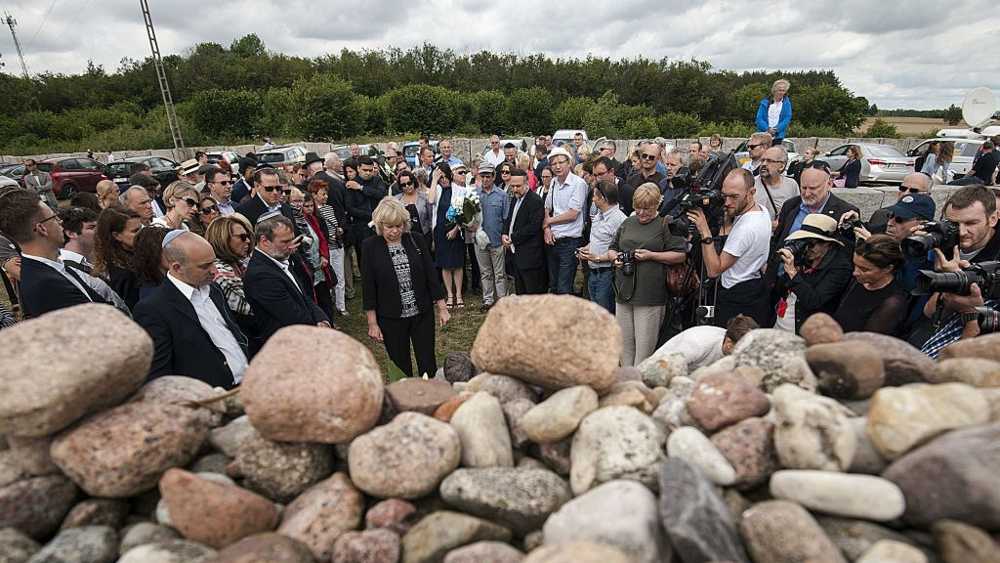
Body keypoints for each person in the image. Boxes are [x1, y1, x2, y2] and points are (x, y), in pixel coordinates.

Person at [134, 231, 248, 389]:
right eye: (205, 266)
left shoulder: (213, 290)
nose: (215, 271)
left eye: (213, 262)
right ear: (177, 267)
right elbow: (159, 377)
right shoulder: (153, 309)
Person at [363, 198, 450, 379]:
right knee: (400, 367)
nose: (395, 231)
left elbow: (431, 276)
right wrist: (372, 323)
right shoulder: (370, 247)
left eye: (399, 225)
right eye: (389, 227)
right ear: (380, 225)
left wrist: (442, 308)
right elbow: (368, 287)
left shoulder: (416, 240)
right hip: (391, 317)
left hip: (422, 313)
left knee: (427, 363)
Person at [606, 184, 687, 366]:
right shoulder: (628, 222)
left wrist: (652, 256)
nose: (641, 213)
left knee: (643, 353)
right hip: (624, 292)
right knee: (624, 350)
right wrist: (615, 259)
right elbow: (612, 248)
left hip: (650, 295)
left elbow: (680, 254)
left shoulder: (665, 223)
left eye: (647, 209)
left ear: (657, 205)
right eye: (638, 208)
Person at [0, 190, 112, 318]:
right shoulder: (46, 285)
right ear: (42, 228)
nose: (61, 223)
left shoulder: (50, 267)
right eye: (54, 218)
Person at [689, 168, 773, 327]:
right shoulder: (762, 211)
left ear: (752, 192)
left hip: (737, 297)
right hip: (754, 288)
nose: (727, 203)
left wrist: (704, 230)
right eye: (724, 196)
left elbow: (714, 270)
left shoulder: (745, 229)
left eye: (734, 197)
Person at [244, 214, 330, 344]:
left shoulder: (280, 259)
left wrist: (323, 320)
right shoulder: (260, 275)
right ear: (264, 241)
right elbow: (292, 316)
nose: (291, 246)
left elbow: (303, 297)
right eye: (285, 242)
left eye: (291, 240)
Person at [768, 165, 859, 282]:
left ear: (829, 185)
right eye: (803, 187)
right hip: (778, 278)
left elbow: (845, 255)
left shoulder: (844, 212)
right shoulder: (791, 205)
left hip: (812, 286)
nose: (806, 193)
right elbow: (777, 239)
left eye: (813, 188)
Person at [771, 214, 853, 333]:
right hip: (781, 322)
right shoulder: (804, 256)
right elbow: (780, 289)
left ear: (827, 243)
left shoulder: (840, 268)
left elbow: (814, 301)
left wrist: (793, 273)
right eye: (804, 242)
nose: (807, 248)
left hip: (805, 332)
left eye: (811, 243)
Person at [834, 235, 908, 335]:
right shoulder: (860, 280)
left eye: (864, 269)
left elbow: (867, 342)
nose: (855, 272)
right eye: (855, 265)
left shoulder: (892, 303)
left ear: (888, 268)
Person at [543, 147, 589, 295]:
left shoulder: (579, 184)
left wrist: (549, 222)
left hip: (570, 242)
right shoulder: (554, 182)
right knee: (554, 285)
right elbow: (546, 207)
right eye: (554, 163)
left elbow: (573, 214)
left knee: (564, 287)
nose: (557, 166)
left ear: (569, 163)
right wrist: (547, 229)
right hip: (553, 240)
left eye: (561, 162)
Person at [205, 215, 256, 346]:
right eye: (243, 237)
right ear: (223, 239)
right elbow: (254, 309)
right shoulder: (221, 273)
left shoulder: (239, 264)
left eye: (249, 236)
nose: (249, 241)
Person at [578, 179, 627, 313]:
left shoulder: (620, 220)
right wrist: (587, 248)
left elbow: (621, 250)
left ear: (603, 198)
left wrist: (599, 258)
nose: (592, 199)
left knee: (605, 315)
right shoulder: (599, 215)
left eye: (595, 196)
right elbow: (598, 239)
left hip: (607, 274)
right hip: (593, 272)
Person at [647, 314, 759, 371]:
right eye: (744, 349)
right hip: (660, 367)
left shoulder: (733, 340)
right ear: (729, 343)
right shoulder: (698, 343)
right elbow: (667, 367)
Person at [428, 163, 467, 308]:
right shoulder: (437, 189)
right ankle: (449, 294)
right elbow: (431, 200)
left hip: (454, 229)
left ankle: (458, 294)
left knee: (457, 264)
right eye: (440, 178)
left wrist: (456, 229)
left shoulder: (458, 190)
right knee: (444, 264)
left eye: (445, 177)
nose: (443, 180)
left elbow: (461, 213)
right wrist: (433, 180)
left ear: (450, 175)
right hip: (439, 231)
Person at [503, 168, 546, 294]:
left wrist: (513, 238)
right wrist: (504, 233)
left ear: (527, 183)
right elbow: (510, 218)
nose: (515, 189)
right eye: (513, 186)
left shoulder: (535, 201)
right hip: (516, 254)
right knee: (520, 291)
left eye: (518, 186)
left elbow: (533, 227)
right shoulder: (515, 198)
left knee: (531, 294)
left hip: (530, 257)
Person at [473, 162, 510, 311]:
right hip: (480, 241)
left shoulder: (502, 195)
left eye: (488, 176)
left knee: (500, 273)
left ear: (494, 177)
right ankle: (488, 300)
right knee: (485, 272)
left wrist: (504, 235)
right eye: (483, 176)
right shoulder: (474, 194)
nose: (486, 179)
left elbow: (506, 218)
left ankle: (502, 300)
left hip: (496, 240)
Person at [93, 207, 144, 310]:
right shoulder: (123, 272)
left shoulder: (134, 256)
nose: (142, 234)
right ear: (117, 235)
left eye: (141, 228)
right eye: (135, 231)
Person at [309, 179, 347, 316]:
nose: (325, 196)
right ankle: (330, 305)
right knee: (327, 279)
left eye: (326, 194)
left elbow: (337, 223)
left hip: (337, 245)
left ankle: (341, 306)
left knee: (340, 277)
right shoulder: (313, 212)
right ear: (314, 195)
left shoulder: (330, 208)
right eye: (322, 194)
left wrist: (339, 230)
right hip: (325, 250)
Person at [867, 172, 932, 234]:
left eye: (914, 191)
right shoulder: (882, 214)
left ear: (927, 194)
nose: (906, 193)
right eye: (903, 188)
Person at [754, 145, 800, 221]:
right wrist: (770, 225)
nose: (764, 164)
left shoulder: (792, 185)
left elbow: (796, 213)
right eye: (762, 160)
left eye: (769, 161)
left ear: (782, 166)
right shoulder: (751, 185)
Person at [622, 143, 665, 216]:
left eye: (651, 157)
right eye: (644, 156)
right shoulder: (631, 180)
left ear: (657, 159)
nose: (647, 159)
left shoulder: (663, 181)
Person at [57, 206, 99, 273]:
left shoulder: (89, 259)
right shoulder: (63, 268)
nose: (99, 231)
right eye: (91, 228)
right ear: (71, 234)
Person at [394, 170, 432, 237]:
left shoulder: (424, 197)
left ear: (414, 182)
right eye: (403, 185)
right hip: (404, 236)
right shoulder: (396, 200)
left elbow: (431, 218)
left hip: (424, 235)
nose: (407, 186)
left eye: (409, 183)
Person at [755, 79, 793, 144]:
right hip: (764, 135)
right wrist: (767, 129)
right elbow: (759, 118)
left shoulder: (787, 104)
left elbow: (787, 118)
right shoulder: (765, 102)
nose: (781, 92)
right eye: (779, 90)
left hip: (778, 136)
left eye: (783, 90)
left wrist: (777, 129)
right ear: (774, 90)